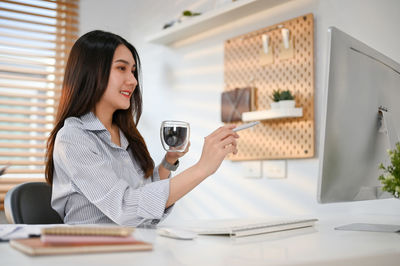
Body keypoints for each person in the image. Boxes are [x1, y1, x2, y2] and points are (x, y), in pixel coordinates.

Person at [45, 30, 239, 226]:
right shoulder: (73, 138)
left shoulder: (123, 134)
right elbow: (125, 208)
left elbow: (142, 194)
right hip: (90, 250)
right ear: (91, 71)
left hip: (133, 244)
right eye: (121, 68)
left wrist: (169, 162)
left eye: (133, 71)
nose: (133, 80)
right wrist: (202, 168)